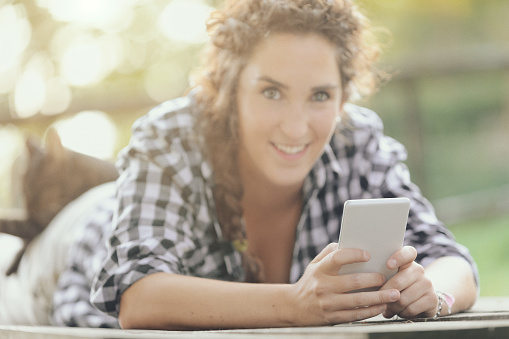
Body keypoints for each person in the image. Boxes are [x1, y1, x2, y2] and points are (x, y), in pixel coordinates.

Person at [91, 0, 478, 330]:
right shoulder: (171, 136)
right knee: (84, 206)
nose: (295, 127)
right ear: (231, 89)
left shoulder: (355, 140)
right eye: (271, 92)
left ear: (343, 99)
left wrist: (433, 295)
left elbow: (450, 259)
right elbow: (137, 297)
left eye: (320, 95)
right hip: (84, 236)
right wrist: (294, 304)